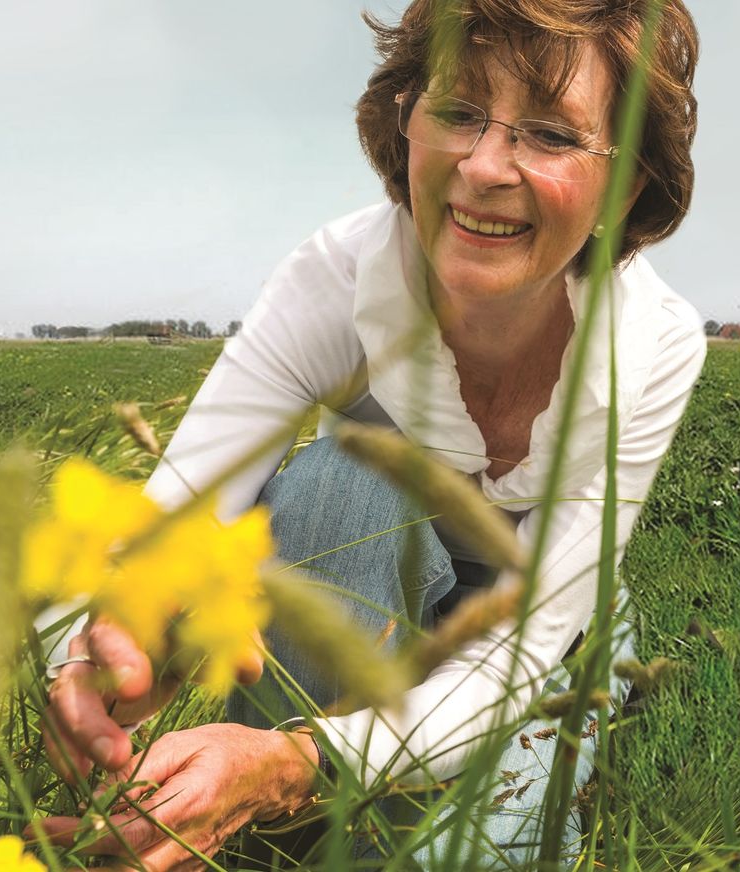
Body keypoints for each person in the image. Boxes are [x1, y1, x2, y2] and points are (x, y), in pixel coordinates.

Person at [34, 0, 701, 867]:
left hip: (537, 640)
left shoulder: (653, 344)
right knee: (342, 478)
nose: (484, 166)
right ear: (405, 120)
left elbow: (523, 647)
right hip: (351, 570)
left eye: (549, 134)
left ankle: (302, 801)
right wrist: (97, 644)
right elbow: (173, 513)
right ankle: (270, 833)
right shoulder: (333, 280)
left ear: (629, 183)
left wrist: (302, 763)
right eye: (459, 112)